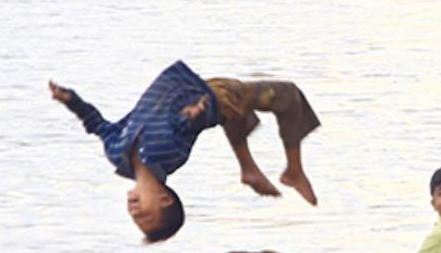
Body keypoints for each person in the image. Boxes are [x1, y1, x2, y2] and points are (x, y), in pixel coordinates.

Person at [49, 61, 320, 242]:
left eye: (136, 218)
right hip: (209, 95)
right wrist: (192, 114)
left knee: (235, 114)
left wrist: (71, 100)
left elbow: (97, 124)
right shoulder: (170, 156)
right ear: (164, 200)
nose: (134, 212)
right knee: (287, 96)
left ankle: (249, 169)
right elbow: (179, 128)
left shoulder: (116, 153)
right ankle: (293, 171)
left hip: (190, 88)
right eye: (145, 214)